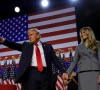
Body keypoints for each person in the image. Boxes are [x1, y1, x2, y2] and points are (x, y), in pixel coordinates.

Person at [0, 28, 68, 90]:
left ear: (38, 35)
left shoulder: (48, 47)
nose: (29, 37)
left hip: (46, 74)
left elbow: (55, 60)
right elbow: (15, 45)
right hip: (32, 74)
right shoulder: (26, 46)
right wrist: (4, 41)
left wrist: (63, 71)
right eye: (29, 35)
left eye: (31, 34)